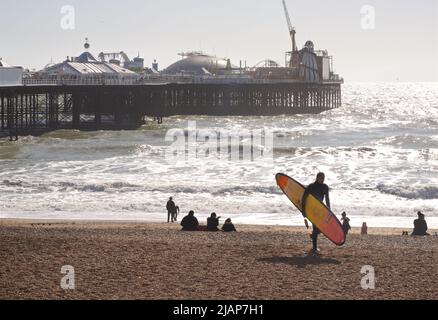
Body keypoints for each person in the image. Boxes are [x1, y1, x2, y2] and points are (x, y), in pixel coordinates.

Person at [302, 172, 330, 254]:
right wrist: (304, 211)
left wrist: (329, 209)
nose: (323, 179)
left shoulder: (325, 187)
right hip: (311, 209)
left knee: (320, 228)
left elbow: (327, 199)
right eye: (321, 178)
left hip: (320, 209)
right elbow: (304, 198)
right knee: (315, 227)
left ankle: (313, 235)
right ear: (317, 178)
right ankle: (314, 248)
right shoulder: (311, 186)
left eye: (324, 178)